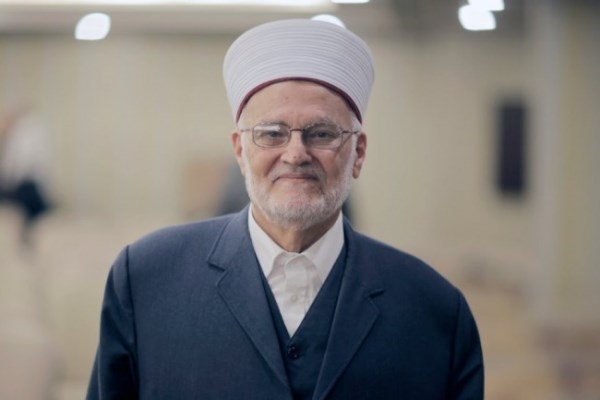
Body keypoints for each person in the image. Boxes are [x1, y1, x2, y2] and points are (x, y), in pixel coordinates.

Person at [87, 19, 484, 399]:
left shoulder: (434, 310)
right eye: (272, 133)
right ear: (240, 151)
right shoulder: (146, 280)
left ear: (358, 153)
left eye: (322, 133)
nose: (295, 154)